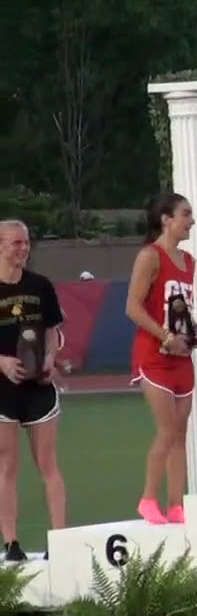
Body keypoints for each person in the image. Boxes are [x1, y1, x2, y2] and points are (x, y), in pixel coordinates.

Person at [126, 194, 197, 525]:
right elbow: (133, 307)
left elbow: (180, 309)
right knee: (167, 429)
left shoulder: (189, 262)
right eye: (185, 214)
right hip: (155, 355)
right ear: (166, 219)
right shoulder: (150, 256)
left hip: (181, 358)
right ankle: (147, 498)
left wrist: (194, 332)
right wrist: (166, 337)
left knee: (180, 433)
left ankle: (176, 504)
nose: (191, 221)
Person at [0, 220, 66, 561]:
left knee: (48, 463)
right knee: (6, 466)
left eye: (26, 242)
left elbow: (52, 330)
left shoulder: (41, 286)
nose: (23, 248)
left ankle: (60, 539)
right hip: (3, 390)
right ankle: (11, 543)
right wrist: (3, 363)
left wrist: (50, 359)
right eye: (15, 243)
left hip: (39, 388)